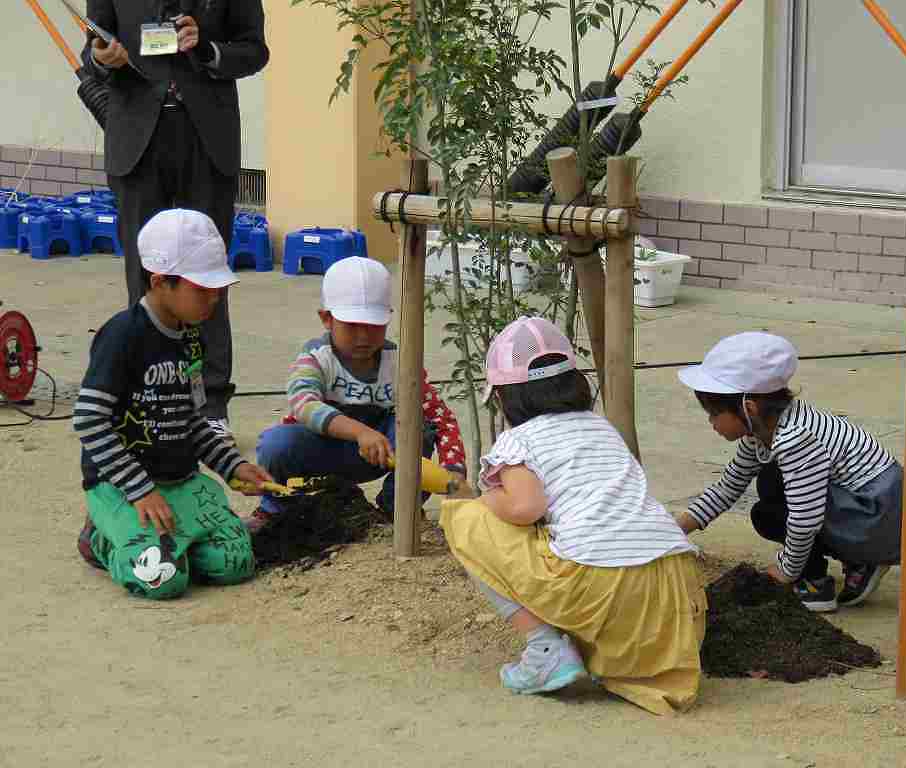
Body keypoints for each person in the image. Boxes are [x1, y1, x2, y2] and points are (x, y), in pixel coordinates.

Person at [440, 317, 705, 716]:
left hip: (598, 585)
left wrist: (487, 498)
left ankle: (544, 647)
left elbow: (526, 508)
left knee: (465, 518)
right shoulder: (602, 428)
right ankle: (633, 664)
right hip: (671, 585)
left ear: (505, 398)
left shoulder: (519, 440)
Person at [84, 0, 270, 444]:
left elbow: (254, 50)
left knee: (206, 277)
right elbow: (92, 49)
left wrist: (207, 49)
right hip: (136, 137)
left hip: (206, 136)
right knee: (145, 277)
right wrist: (100, 57)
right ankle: (143, 399)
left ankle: (211, 404)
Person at [74, 209, 273, 599]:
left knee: (236, 562)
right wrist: (139, 491)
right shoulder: (122, 335)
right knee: (162, 579)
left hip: (179, 482)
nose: (214, 298)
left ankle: (172, 542)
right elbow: (89, 420)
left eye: (217, 288)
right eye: (202, 288)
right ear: (160, 281)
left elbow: (192, 420)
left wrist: (234, 465)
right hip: (123, 487)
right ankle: (100, 537)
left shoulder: (192, 337)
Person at [676, 332, 904, 613]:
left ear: (748, 407)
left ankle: (815, 585)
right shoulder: (763, 428)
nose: (711, 422)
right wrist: (675, 530)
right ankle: (858, 560)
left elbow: (805, 518)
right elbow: (728, 487)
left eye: (713, 413)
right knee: (769, 500)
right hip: (867, 511)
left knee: (772, 494)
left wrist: (787, 570)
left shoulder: (795, 440)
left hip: (876, 518)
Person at [249, 256, 467, 531]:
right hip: (321, 451)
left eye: (374, 325)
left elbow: (440, 418)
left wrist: (455, 470)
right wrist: (359, 432)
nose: (364, 336)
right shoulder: (315, 358)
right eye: (352, 325)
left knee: (420, 428)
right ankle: (274, 508)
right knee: (275, 443)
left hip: (382, 454)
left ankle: (396, 509)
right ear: (327, 318)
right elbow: (304, 404)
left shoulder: (401, 362)